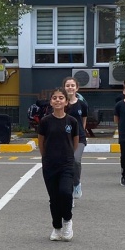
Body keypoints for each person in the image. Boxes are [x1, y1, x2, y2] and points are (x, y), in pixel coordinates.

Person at [37, 88, 80, 241]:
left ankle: (67, 221)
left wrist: (68, 156)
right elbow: (41, 142)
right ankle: (57, 227)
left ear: (66, 102)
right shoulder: (45, 121)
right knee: (54, 198)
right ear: (51, 102)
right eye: (54, 98)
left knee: (66, 193)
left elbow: (75, 142)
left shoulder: (72, 121)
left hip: (67, 164)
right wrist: (46, 157)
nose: (57, 100)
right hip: (49, 164)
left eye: (61, 98)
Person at [63, 76, 90, 201]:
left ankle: (76, 184)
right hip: (64, 138)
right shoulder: (61, 104)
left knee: (75, 160)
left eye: (72, 85)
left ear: (77, 88)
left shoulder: (82, 105)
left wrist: (81, 132)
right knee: (65, 165)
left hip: (79, 138)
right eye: (68, 85)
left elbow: (83, 120)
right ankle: (68, 193)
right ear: (64, 87)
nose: (70, 87)